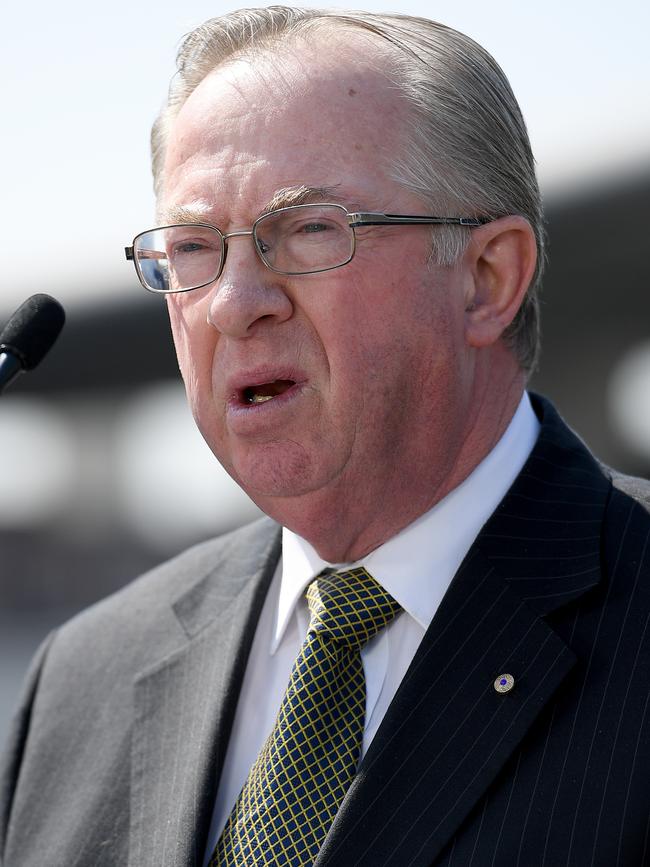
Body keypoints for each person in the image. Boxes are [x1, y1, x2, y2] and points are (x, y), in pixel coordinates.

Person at [1, 7, 649, 867]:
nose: (233, 303)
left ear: (488, 279)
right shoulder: (78, 680)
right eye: (193, 247)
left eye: (308, 232)